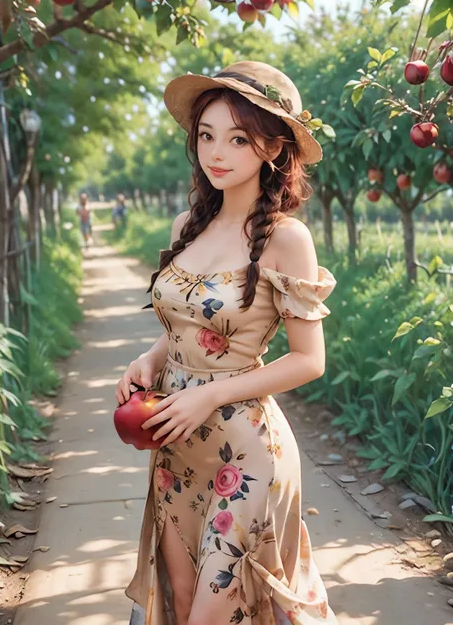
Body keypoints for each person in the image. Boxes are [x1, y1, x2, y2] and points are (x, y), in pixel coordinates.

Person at [116, 61, 339, 625]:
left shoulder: (287, 239)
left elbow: (309, 361)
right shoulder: (185, 225)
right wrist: (150, 358)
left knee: (215, 613)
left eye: (238, 138)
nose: (217, 152)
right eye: (207, 135)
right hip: (173, 444)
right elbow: (186, 330)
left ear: (272, 147)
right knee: (183, 604)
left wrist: (209, 396)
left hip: (245, 452)